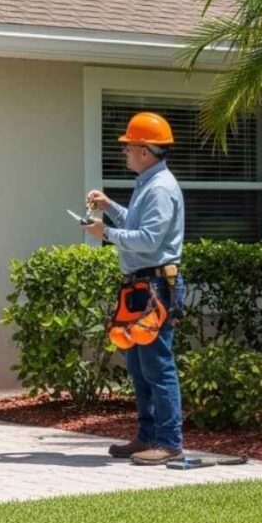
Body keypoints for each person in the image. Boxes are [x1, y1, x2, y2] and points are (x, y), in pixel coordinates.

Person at [83, 112, 186, 465]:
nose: (125, 152)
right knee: (140, 366)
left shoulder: (159, 188)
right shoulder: (148, 183)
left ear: (145, 149)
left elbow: (149, 239)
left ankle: (169, 442)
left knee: (157, 364)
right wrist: (110, 207)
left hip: (155, 283)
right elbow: (137, 224)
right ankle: (146, 437)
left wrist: (106, 234)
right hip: (144, 284)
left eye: (128, 147)